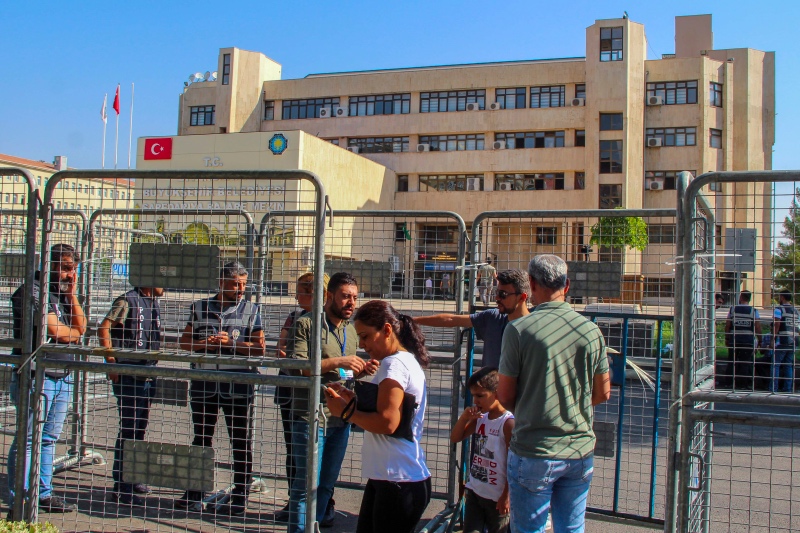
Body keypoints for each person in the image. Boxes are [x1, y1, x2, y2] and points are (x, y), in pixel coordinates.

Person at [498, 255, 610, 533]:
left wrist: (536, 402)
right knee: (571, 528)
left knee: (528, 529)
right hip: (579, 449)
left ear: (532, 284)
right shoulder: (590, 330)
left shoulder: (518, 329)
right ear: (567, 285)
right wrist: (572, 404)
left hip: (535, 449)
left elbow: (505, 396)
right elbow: (603, 392)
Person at [324, 300, 431, 533]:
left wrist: (346, 412)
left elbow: (388, 423)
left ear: (387, 330)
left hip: (398, 479)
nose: (362, 345)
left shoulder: (394, 365)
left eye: (365, 336)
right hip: (391, 477)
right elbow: (390, 412)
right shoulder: (400, 362)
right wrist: (351, 400)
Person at [287, 272, 379, 532]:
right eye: (346, 297)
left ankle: (313, 527)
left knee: (326, 485)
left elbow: (339, 374)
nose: (351, 303)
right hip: (311, 416)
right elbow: (299, 367)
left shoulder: (350, 331)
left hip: (342, 417)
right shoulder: (306, 324)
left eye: (355, 298)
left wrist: (357, 371)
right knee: (306, 487)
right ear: (329, 296)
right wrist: (340, 362)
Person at [177, 262, 265, 515]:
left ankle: (240, 492)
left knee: (239, 440)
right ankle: (195, 489)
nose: (240, 290)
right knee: (201, 439)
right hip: (204, 385)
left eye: (243, 285)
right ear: (221, 283)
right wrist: (204, 343)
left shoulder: (252, 309)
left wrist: (232, 343)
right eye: (235, 284)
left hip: (237, 386)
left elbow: (259, 349)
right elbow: (184, 343)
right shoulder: (200, 307)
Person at [8, 243, 85, 513]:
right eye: (65, 268)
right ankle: (22, 496)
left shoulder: (61, 293)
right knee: (29, 438)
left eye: (73, 269)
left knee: (49, 438)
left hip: (61, 374)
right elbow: (62, 333)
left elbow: (80, 327)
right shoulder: (31, 291)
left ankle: (44, 493)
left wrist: (73, 295)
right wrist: (71, 333)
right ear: (49, 265)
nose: (69, 275)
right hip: (36, 375)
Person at [98, 286, 164, 506]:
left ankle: (132, 477)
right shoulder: (128, 300)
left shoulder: (152, 301)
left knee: (139, 428)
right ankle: (121, 486)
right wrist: (111, 361)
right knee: (129, 428)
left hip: (147, 373)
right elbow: (104, 328)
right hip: (129, 372)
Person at [273, 271, 329, 522]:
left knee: (322, 453)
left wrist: (301, 359)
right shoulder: (294, 317)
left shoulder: (328, 322)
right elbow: (282, 348)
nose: (297, 296)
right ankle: (294, 502)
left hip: (318, 394)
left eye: (302, 292)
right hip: (289, 389)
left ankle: (324, 505)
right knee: (294, 450)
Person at [414, 270, 530, 369]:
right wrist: (412, 320)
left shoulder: (535, 328)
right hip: (492, 393)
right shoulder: (493, 318)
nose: (497, 298)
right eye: (496, 292)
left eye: (503, 294)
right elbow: (450, 319)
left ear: (522, 297)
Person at [450, 367, 514, 533]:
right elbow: (456, 437)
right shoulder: (481, 418)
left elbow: (513, 463)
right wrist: (464, 418)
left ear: (497, 393)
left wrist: (506, 496)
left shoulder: (507, 423)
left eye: (480, 396)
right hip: (476, 491)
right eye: (473, 396)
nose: (476, 401)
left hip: (497, 497)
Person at [724, 290, 761, 390]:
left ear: (741, 297)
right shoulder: (754, 311)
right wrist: (760, 340)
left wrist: (727, 338)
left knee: (732, 361)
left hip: (734, 339)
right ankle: (742, 384)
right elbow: (757, 326)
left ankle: (729, 383)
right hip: (748, 341)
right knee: (745, 363)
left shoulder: (733, 309)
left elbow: (727, 325)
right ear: (749, 299)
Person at [772, 291, 798, 393]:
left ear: (782, 297)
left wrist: (773, 339)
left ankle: (773, 388)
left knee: (776, 364)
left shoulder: (779, 309)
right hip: (794, 340)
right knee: (788, 365)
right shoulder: (795, 310)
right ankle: (788, 388)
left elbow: (776, 324)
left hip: (783, 340)